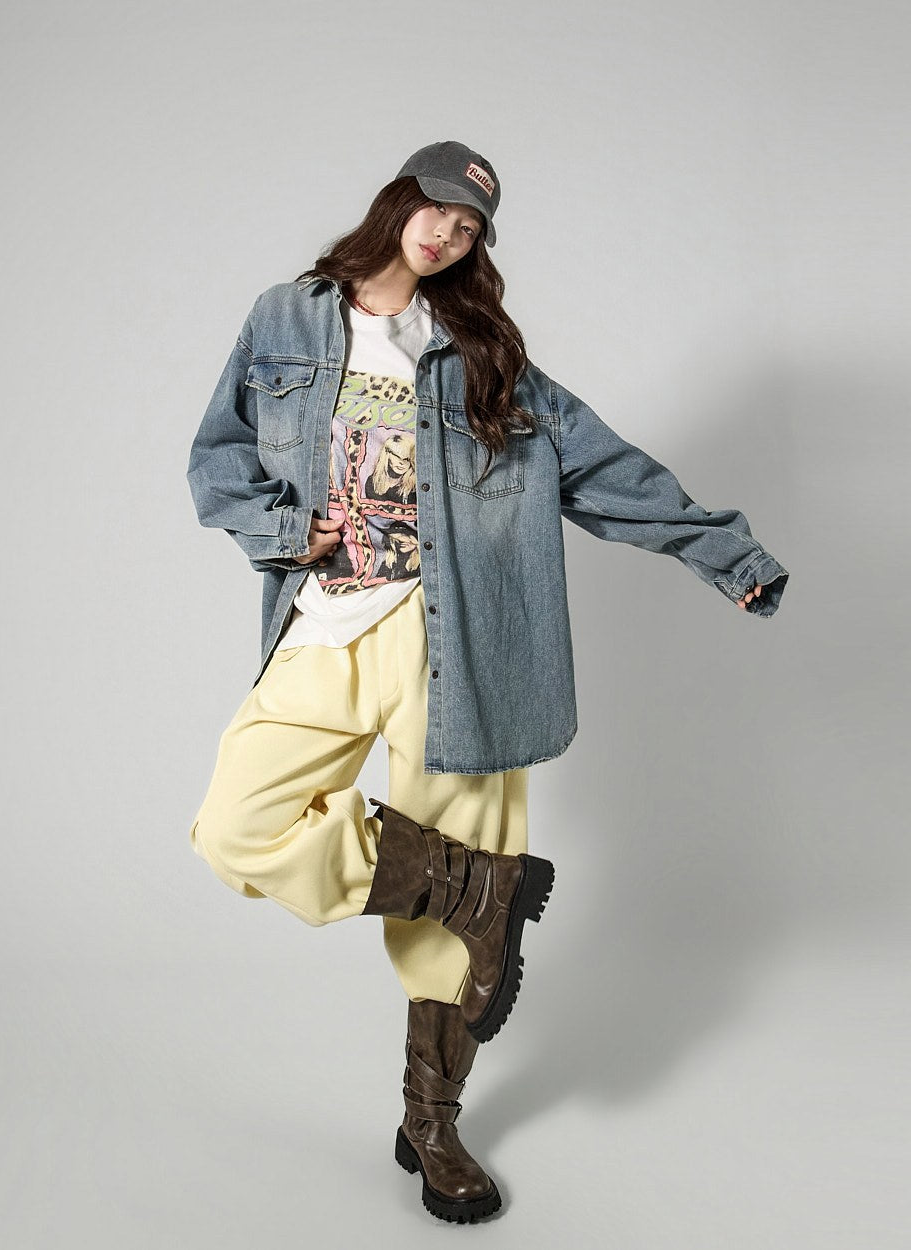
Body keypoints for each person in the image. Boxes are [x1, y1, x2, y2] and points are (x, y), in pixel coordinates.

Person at [185, 139, 789, 1224]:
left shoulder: (479, 351)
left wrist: (723, 553)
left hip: (460, 644)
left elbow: (600, 466)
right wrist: (281, 529)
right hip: (329, 622)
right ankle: (478, 887)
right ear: (399, 200)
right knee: (240, 825)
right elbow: (219, 453)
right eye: (438, 209)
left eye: (469, 229)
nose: (447, 234)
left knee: (445, 935)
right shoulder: (288, 317)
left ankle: (433, 1121)